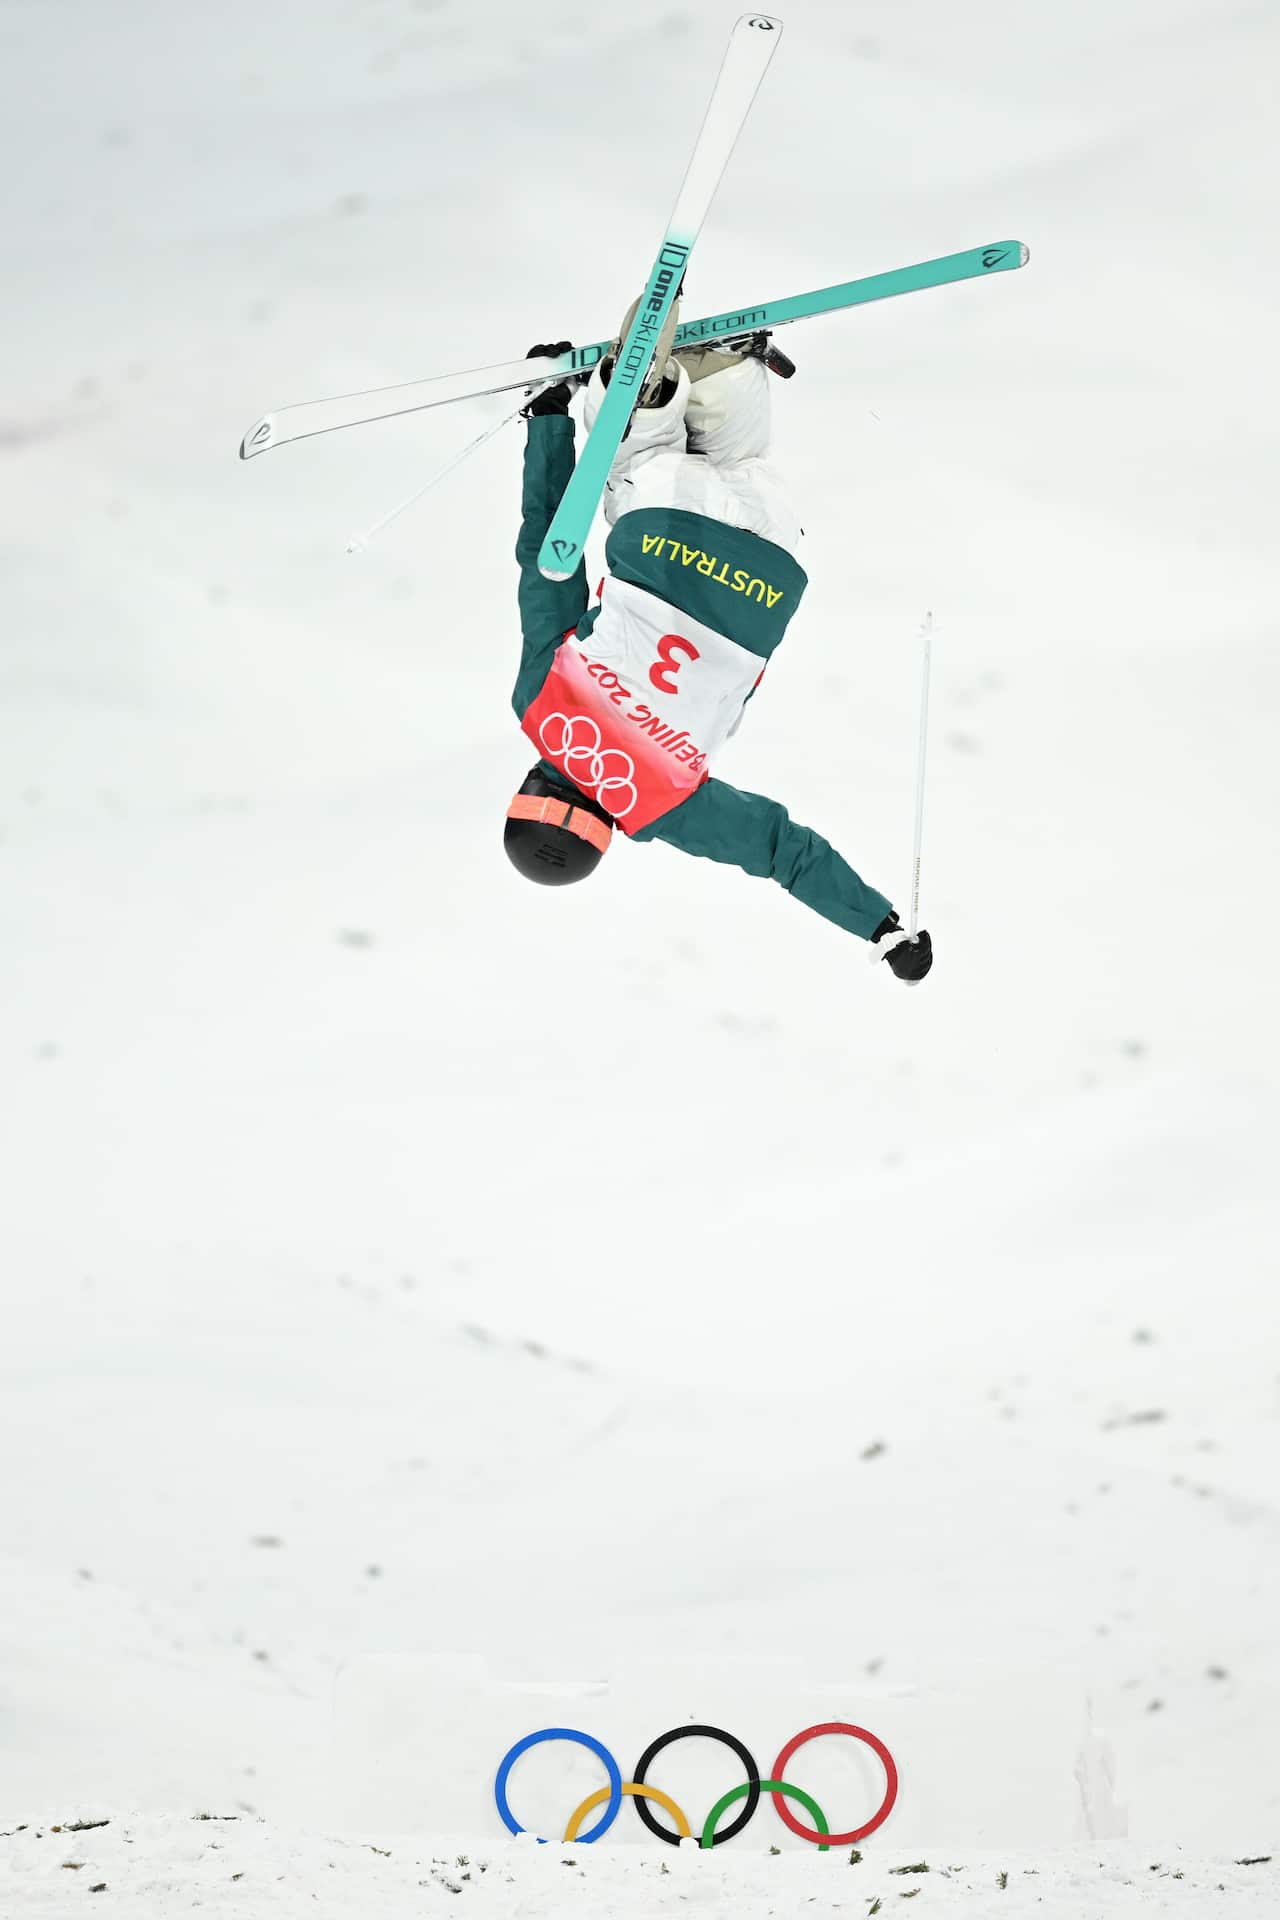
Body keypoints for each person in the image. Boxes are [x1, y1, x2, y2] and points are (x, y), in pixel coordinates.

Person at [504, 322, 932, 982]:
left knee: (742, 468)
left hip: (771, 565)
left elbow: (780, 852)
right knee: (632, 473)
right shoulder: (538, 704)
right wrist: (548, 416)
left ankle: (728, 377)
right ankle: (647, 400)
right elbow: (547, 557)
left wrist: (882, 929)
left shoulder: (663, 807)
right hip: (663, 532)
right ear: (529, 786)